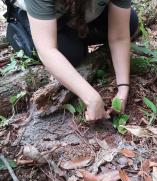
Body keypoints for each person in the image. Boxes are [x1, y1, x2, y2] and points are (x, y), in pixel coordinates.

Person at [5, 0, 139, 121]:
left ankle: (75, 36)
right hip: (46, 15)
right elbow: (47, 50)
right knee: (70, 56)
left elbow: (119, 37)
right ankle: (24, 28)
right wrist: (90, 97)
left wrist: (123, 89)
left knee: (130, 23)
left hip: (80, 11)